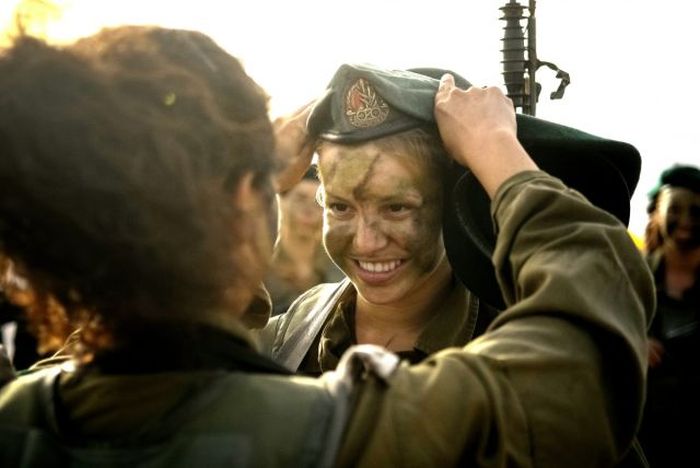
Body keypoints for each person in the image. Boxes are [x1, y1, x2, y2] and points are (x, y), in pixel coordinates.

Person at [0, 26, 653, 467]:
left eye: (398, 205)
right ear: (245, 206)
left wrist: (238, 190)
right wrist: (500, 156)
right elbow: (584, 377)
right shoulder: (310, 400)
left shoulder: (24, 411)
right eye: (337, 204)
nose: (365, 239)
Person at [638, 164, 700, 467]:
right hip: (641, 436)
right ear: (657, 211)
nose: (686, 220)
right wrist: (633, 341)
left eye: (696, 211)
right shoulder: (633, 275)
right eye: (675, 209)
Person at [265, 167, 343, 317]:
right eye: (300, 199)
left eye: (318, 202)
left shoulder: (339, 266)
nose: (309, 211)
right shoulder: (260, 266)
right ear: (281, 200)